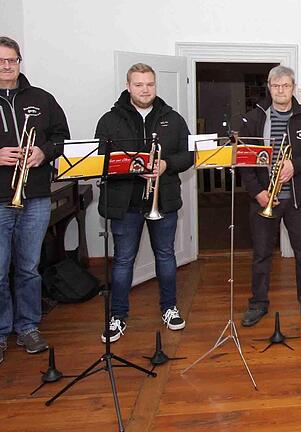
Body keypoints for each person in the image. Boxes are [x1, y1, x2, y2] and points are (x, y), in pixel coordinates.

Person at [95, 63, 193, 343]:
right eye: (138, 84)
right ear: (128, 86)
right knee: (123, 260)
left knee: (166, 256)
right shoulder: (109, 120)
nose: (145, 89)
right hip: (125, 204)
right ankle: (118, 316)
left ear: (155, 86)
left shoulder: (172, 119)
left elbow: (188, 156)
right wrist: (134, 166)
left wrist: (165, 163)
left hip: (163, 200)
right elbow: (101, 159)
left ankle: (169, 308)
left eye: (149, 84)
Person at [240, 65, 301, 326]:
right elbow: (245, 161)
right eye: (276, 86)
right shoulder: (254, 118)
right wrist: (258, 192)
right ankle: (258, 304)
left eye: (286, 85)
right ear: (269, 87)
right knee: (261, 254)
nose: (281, 90)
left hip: (298, 201)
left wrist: (295, 165)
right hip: (265, 199)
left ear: (293, 88)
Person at [0, 36, 70, 364]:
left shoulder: (41, 98)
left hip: (37, 196)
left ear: (19, 61)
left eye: (12, 60)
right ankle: (1, 331)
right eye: (1, 60)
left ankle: (28, 326)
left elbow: (61, 136)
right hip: (0, 198)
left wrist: (44, 152)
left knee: (29, 267)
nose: (6, 66)